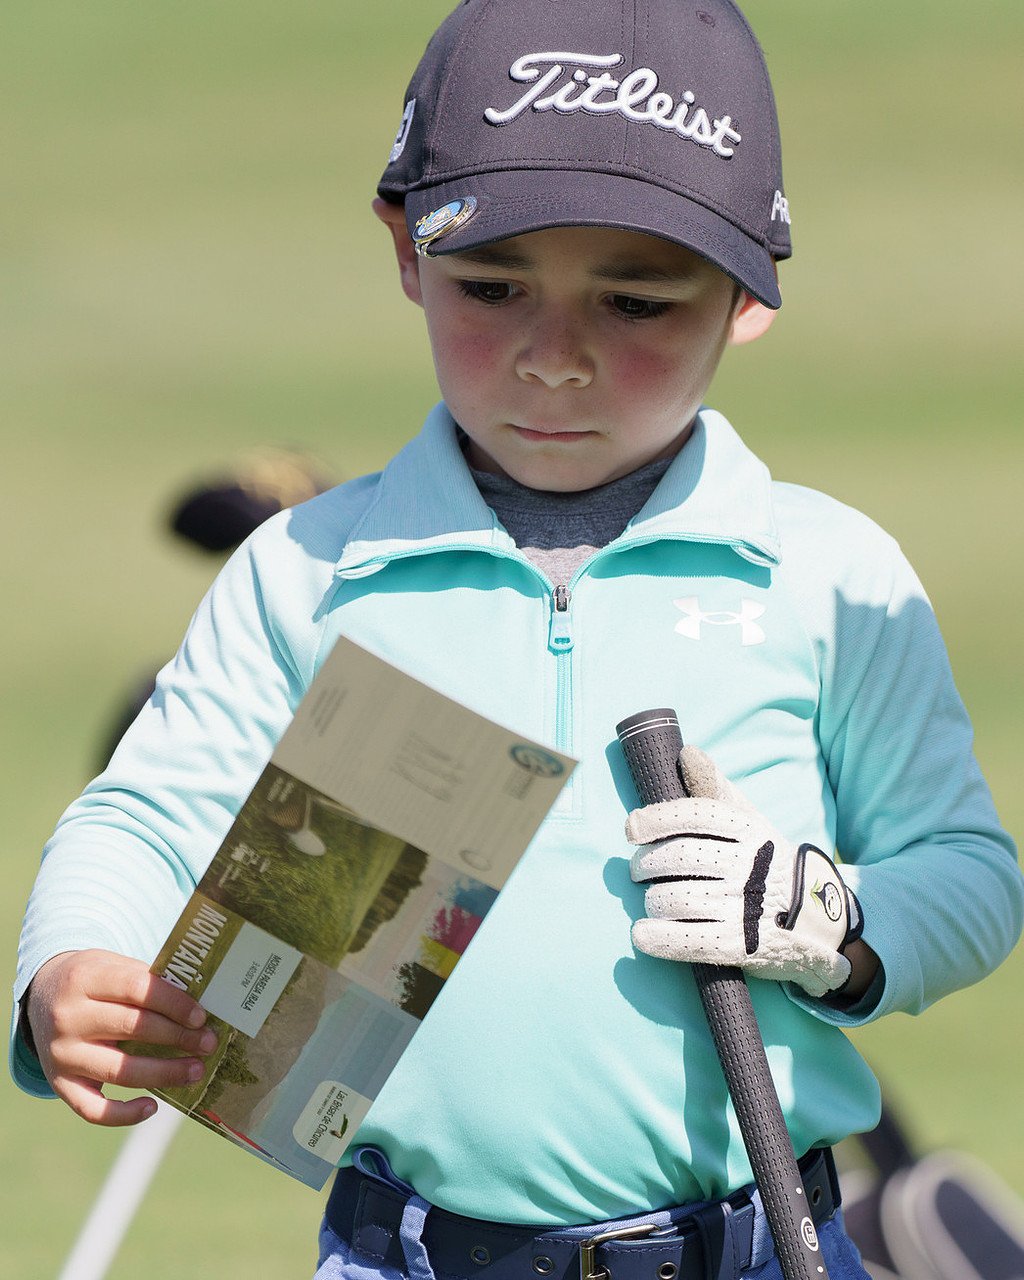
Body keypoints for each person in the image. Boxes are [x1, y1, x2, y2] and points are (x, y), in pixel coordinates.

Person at [11, 1, 1023, 1278]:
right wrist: (71, 961)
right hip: (407, 1253)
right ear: (405, 247)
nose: (555, 357)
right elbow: (145, 816)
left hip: (752, 1247)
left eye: (636, 302)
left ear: (748, 293)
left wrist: (836, 916)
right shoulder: (306, 570)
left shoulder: (824, 574)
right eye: (492, 288)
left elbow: (969, 873)